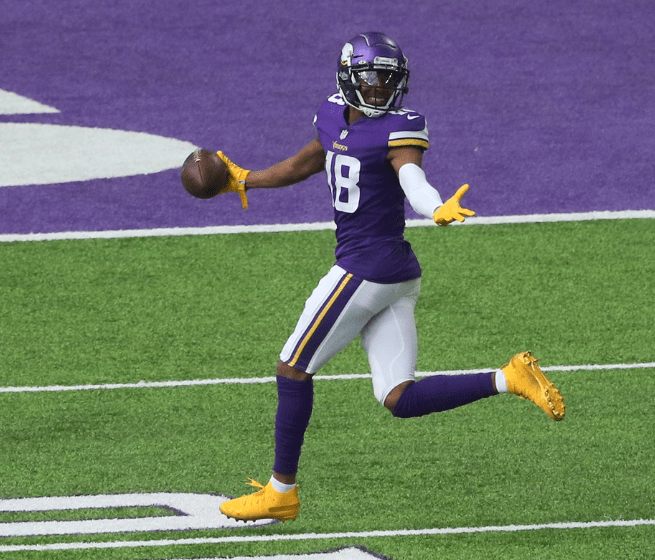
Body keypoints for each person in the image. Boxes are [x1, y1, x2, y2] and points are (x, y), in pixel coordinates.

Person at [206, 32, 565, 523]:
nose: (378, 90)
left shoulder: (399, 129)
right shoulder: (333, 113)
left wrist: (435, 206)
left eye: (387, 81)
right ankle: (510, 377)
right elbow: (312, 159)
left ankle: (280, 492)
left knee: (292, 369)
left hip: (365, 269)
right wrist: (247, 178)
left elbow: (411, 177)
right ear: (349, 78)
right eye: (370, 80)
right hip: (397, 274)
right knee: (398, 397)